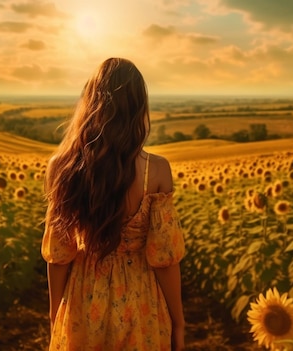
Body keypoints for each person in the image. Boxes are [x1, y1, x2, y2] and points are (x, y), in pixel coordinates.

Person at [41, 57, 186, 351]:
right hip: (140, 302)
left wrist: (55, 315)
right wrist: (178, 320)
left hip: (83, 299)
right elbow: (165, 260)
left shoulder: (62, 167)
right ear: (138, 109)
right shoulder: (156, 171)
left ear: (91, 104)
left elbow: (59, 257)